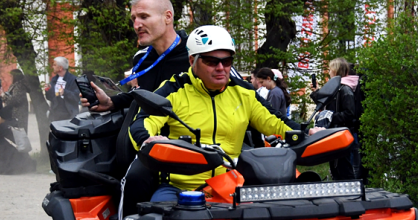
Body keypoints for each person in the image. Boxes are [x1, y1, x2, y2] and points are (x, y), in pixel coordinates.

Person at [127, 25, 299, 203]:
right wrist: (147, 140)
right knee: (156, 218)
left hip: (231, 186)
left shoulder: (244, 92)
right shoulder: (174, 89)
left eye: (227, 61)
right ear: (192, 60)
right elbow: (142, 122)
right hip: (181, 188)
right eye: (211, 61)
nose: (220, 67)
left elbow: (277, 122)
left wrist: (306, 133)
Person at [79, 0, 190, 113]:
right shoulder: (141, 58)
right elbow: (146, 97)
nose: (136, 26)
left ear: (167, 17)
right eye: (134, 19)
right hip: (148, 130)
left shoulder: (195, 54)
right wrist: (110, 102)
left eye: (144, 17)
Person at [310, 57, 359, 180]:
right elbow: (326, 104)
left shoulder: (345, 89)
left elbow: (349, 113)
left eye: (330, 69)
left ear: (336, 70)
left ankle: (349, 192)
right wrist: (316, 93)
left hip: (341, 134)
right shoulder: (336, 89)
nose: (328, 72)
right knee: (335, 166)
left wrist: (331, 117)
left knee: (344, 167)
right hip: (334, 133)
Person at [0, 104, 36, 175]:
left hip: (5, 156)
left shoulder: (2, 127)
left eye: (0, 117)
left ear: (3, 117)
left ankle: (7, 167)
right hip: (19, 155)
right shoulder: (16, 123)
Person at [44, 56, 80, 122]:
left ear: (60, 68)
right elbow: (50, 98)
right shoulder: (54, 79)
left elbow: (77, 97)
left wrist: (65, 92)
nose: (52, 67)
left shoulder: (73, 80)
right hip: (55, 114)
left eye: (54, 65)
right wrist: (48, 90)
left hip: (69, 114)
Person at [0, 69, 29, 134]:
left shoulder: (19, 86)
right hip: (13, 114)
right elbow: (9, 97)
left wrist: (3, 95)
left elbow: (15, 100)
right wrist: (3, 95)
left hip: (18, 115)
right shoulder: (14, 85)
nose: (10, 78)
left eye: (11, 76)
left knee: (19, 134)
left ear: (15, 76)